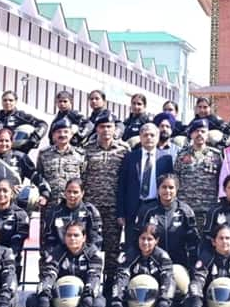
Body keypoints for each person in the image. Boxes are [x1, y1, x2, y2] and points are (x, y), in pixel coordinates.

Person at [27, 221, 105, 307]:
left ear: (84, 237)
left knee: (99, 305)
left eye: (76, 235)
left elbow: (94, 277)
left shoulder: (93, 253)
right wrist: (44, 296)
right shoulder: (57, 251)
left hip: (82, 302)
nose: (72, 238)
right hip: (59, 301)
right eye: (69, 235)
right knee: (32, 301)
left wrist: (87, 301)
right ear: (64, 237)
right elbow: (48, 274)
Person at [80, 110, 128, 290]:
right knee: (89, 247)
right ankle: (88, 285)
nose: (106, 130)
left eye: (109, 126)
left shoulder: (123, 150)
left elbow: (126, 182)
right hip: (91, 208)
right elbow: (81, 177)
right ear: (97, 129)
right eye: (102, 127)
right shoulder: (87, 150)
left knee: (112, 250)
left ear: (115, 128)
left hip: (113, 208)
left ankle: (109, 287)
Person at [107, 223, 180, 307]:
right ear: (138, 239)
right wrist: (117, 304)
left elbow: (168, 281)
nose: (145, 242)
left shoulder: (163, 257)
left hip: (155, 302)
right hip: (133, 301)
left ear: (157, 240)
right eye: (143, 238)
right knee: (109, 305)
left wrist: (162, 306)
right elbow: (120, 279)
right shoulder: (129, 255)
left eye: (150, 239)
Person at [120, 123, 175, 241]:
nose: (149, 138)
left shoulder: (166, 159)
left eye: (152, 135)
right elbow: (122, 186)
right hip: (133, 206)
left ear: (158, 136)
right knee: (132, 241)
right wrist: (121, 213)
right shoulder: (130, 157)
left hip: (156, 205)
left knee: (153, 239)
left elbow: (170, 185)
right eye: (145, 135)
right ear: (140, 137)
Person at [133, 173, 199, 268]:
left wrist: (192, 266)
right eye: (164, 187)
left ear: (176, 190)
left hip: (178, 264)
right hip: (152, 264)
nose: (167, 190)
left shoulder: (185, 211)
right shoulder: (147, 210)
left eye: (171, 187)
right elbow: (136, 238)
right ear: (158, 189)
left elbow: (193, 242)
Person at [0, 127, 47, 208]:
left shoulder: (20, 157)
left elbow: (36, 177)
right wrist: (0, 188)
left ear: (11, 142)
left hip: (15, 207)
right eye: (0, 141)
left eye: (7, 141)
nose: (4, 144)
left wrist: (44, 194)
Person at [37, 118, 86, 232]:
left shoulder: (80, 155)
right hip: (50, 205)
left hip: (72, 206)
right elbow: (39, 177)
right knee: (47, 238)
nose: (62, 135)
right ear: (53, 135)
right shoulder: (44, 154)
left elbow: (84, 179)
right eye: (58, 132)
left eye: (65, 132)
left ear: (71, 134)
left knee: (72, 238)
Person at [174, 119, 223, 229]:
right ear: (191, 134)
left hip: (208, 209)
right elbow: (176, 179)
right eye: (196, 131)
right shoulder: (181, 155)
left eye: (203, 131)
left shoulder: (216, 156)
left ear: (207, 135)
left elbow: (221, 181)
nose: (199, 134)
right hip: (186, 208)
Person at [42, 178, 102, 255]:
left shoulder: (90, 212)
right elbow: (48, 240)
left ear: (82, 193)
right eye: (69, 191)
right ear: (65, 193)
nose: (72, 195)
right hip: (59, 256)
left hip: (84, 256)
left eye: (75, 192)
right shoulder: (54, 212)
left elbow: (96, 240)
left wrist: (91, 257)